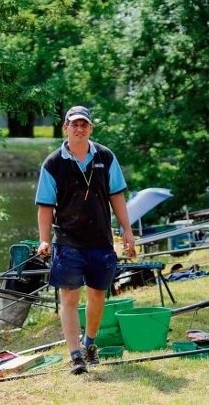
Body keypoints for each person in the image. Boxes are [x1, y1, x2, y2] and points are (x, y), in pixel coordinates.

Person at [35, 106, 136, 375]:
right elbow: (45, 207)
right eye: (74, 124)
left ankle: (89, 342)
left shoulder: (105, 156)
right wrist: (44, 240)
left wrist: (127, 230)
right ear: (65, 128)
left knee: (98, 296)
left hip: (101, 239)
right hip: (67, 241)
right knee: (68, 297)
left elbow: (117, 196)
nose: (79, 129)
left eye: (84, 125)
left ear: (90, 128)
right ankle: (75, 355)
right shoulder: (53, 163)